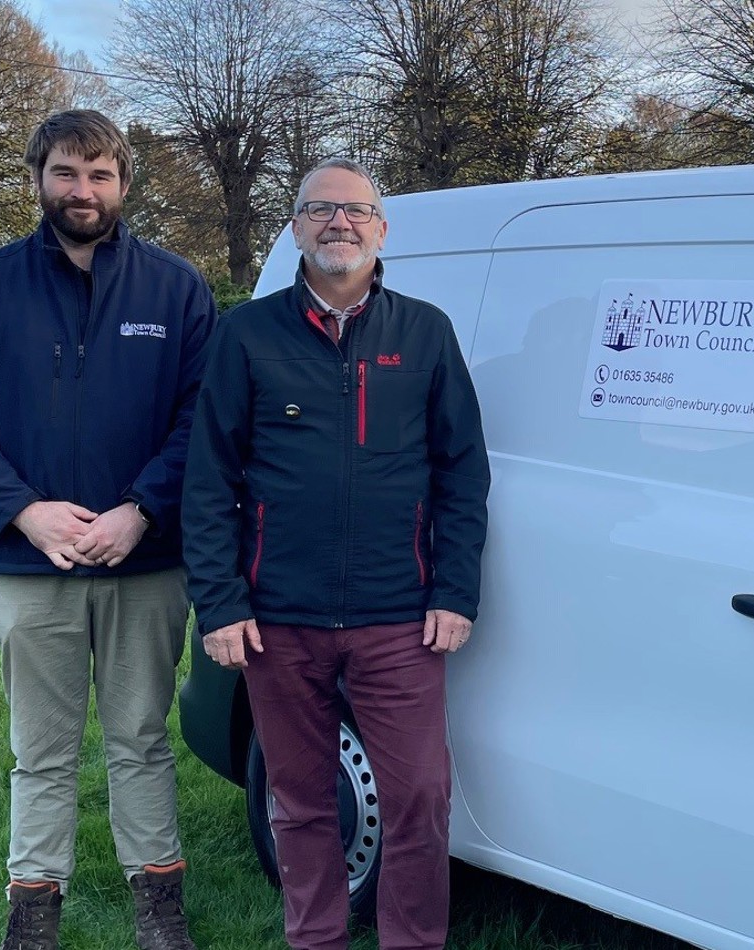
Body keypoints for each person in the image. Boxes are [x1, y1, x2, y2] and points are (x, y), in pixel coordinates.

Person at [0, 110, 214, 950]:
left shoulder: (175, 288)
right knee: (41, 751)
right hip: (25, 566)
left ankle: (158, 906)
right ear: (38, 178)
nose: (83, 190)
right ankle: (33, 911)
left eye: (99, 175)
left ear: (123, 183)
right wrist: (24, 510)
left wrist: (142, 509)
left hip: (144, 563)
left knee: (141, 741)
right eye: (65, 173)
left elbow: (204, 416)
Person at [182, 157, 490, 950]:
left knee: (420, 798)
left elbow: (462, 473)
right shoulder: (246, 335)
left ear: (382, 230)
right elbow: (209, 479)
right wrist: (220, 604)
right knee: (301, 801)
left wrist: (454, 591)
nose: (339, 223)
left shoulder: (425, 332)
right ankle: (314, 938)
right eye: (320, 209)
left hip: (400, 619)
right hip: (278, 619)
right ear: (295, 228)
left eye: (355, 210)